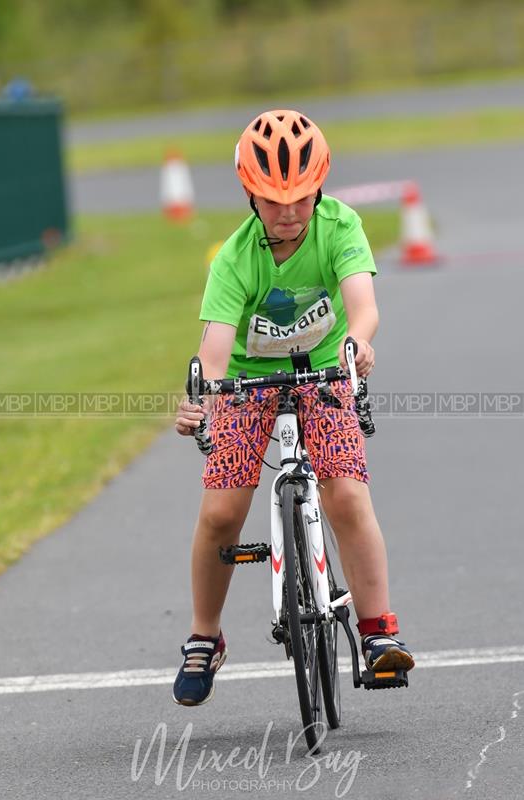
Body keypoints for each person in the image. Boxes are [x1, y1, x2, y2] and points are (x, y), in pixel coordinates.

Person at [173, 109, 414, 706]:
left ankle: (379, 632)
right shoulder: (233, 258)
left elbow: (363, 304)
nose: (288, 212)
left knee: (346, 493)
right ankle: (204, 637)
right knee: (221, 514)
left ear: (320, 188)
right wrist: (202, 399)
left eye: (301, 199)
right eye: (274, 199)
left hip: (325, 370)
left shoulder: (339, 225)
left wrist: (358, 343)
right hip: (248, 383)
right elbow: (217, 348)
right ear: (250, 195)